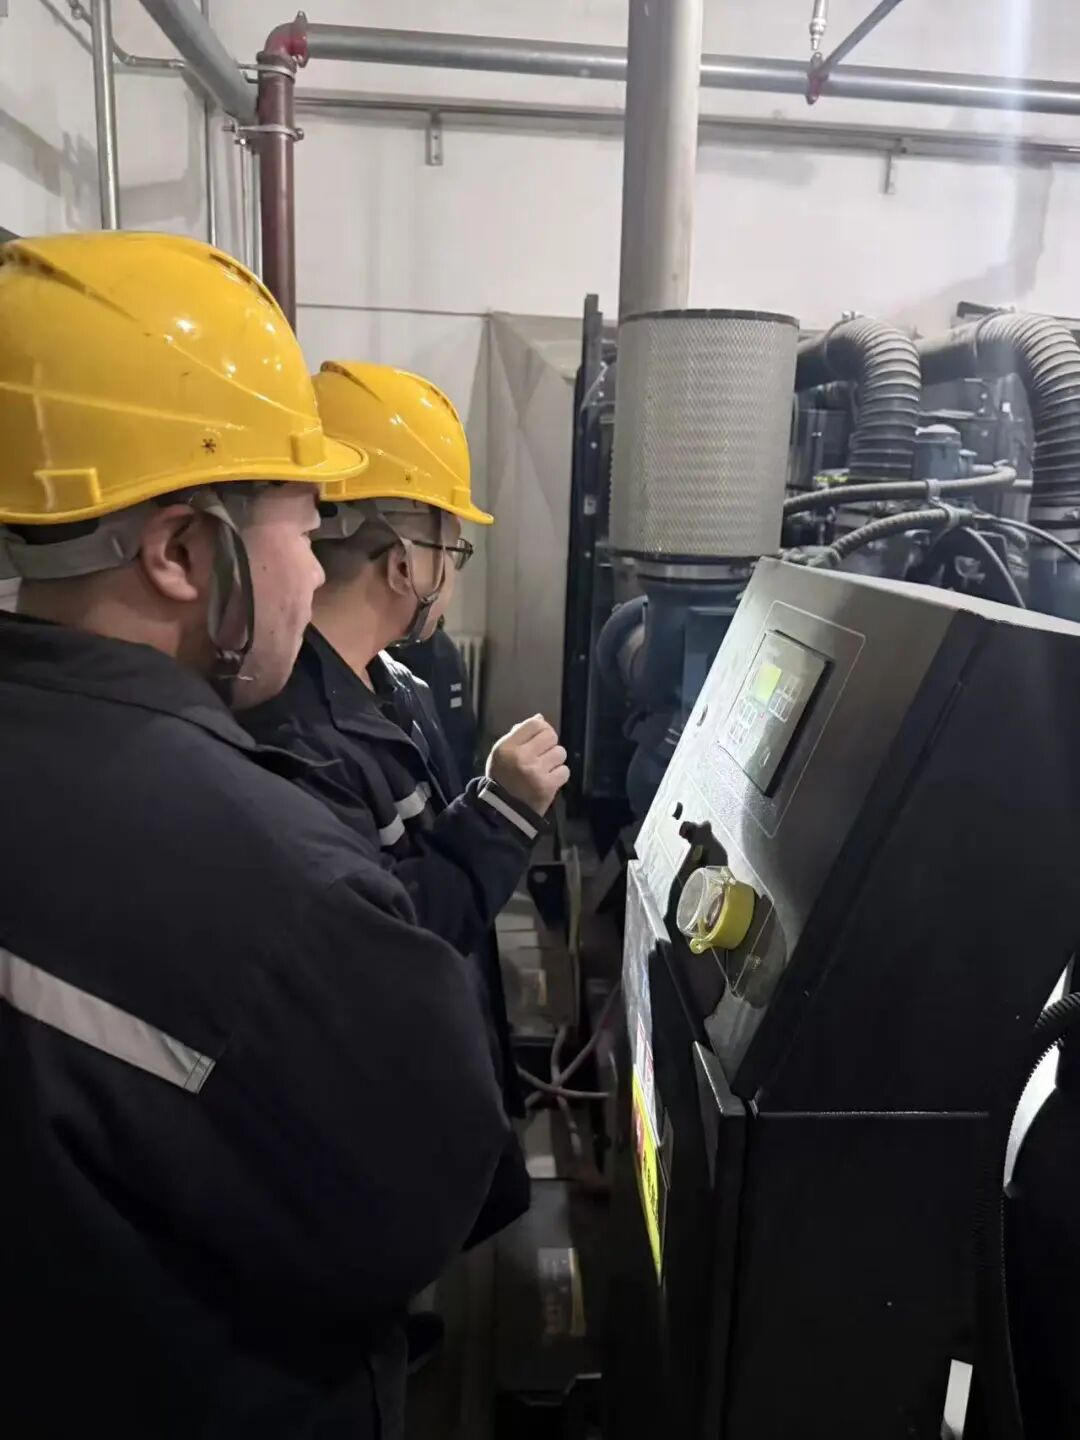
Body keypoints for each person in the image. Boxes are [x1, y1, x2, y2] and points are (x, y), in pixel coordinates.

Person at [0, 232, 514, 1439]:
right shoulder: (275, 886)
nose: (313, 571)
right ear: (185, 553)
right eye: (300, 524)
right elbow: (422, 1204)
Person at [243, 360, 569, 1020]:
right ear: (403, 566)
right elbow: (386, 950)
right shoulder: (298, 740)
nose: (451, 575)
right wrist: (502, 812)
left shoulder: (393, 684)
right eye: (452, 551)